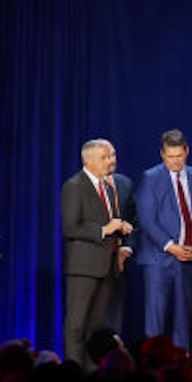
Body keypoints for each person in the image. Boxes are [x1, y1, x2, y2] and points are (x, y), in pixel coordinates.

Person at [133, 129, 192, 349]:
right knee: (155, 318)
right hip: (159, 260)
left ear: (186, 152)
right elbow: (147, 219)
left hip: (190, 259)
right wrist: (171, 247)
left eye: (179, 156)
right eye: (170, 157)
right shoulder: (151, 178)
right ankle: (153, 360)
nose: (175, 161)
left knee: (184, 317)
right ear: (162, 154)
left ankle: (183, 359)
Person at [62, 139, 135, 365]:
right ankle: (74, 375)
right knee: (76, 326)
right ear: (88, 160)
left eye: (112, 155)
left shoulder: (109, 186)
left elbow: (111, 222)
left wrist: (121, 228)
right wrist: (105, 229)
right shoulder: (75, 186)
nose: (111, 161)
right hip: (84, 267)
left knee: (96, 329)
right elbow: (70, 226)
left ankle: (92, 374)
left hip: (107, 265)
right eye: (105, 157)